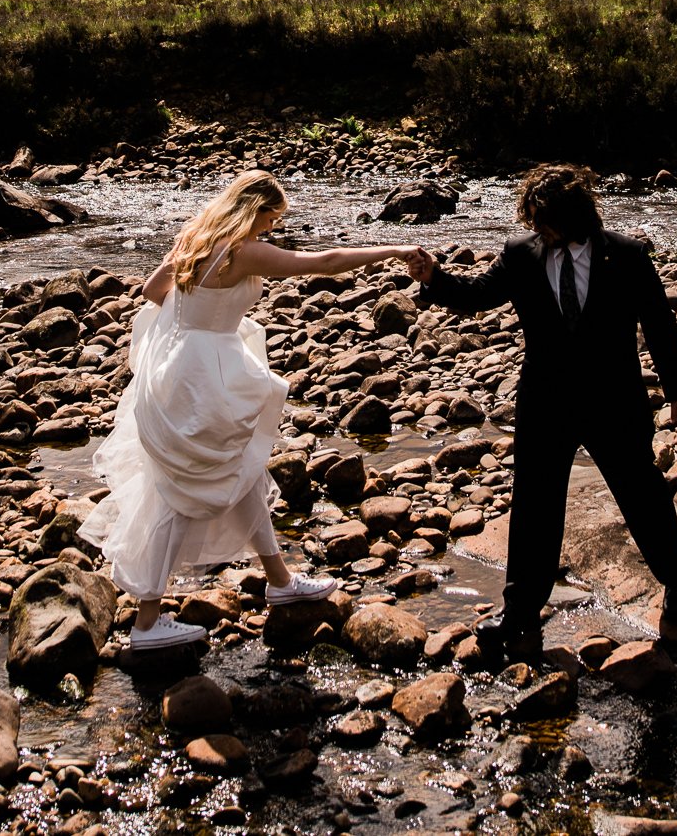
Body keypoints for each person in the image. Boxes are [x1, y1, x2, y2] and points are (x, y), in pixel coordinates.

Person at [80, 169, 437, 650]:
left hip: (176, 369)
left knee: (240, 468)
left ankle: (280, 580)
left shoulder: (194, 239)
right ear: (255, 210)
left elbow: (151, 292)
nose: (272, 227)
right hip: (207, 376)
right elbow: (325, 262)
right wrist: (392, 251)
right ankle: (146, 622)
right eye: (272, 218)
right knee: (183, 491)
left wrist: (196, 323)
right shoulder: (242, 249)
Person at [419, 161, 677, 664]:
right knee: (533, 505)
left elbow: (660, 325)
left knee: (641, 494)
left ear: (574, 214)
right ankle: (520, 613)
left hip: (614, 401)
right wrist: (435, 278)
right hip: (545, 402)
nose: (537, 229)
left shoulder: (628, 255)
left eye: (544, 220)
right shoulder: (521, 254)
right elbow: (477, 297)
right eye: (532, 219)